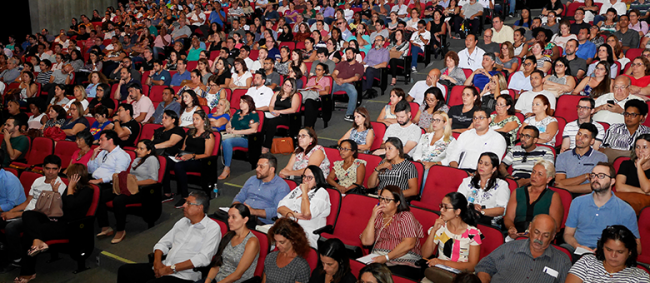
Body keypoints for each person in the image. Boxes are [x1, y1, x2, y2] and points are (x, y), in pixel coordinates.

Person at [117, 191, 221, 283]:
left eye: (189, 203)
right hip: (164, 266)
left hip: (184, 276)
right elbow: (163, 243)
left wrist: (171, 269)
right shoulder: (183, 222)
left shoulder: (212, 228)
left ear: (200, 208)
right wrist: (157, 263)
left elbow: (203, 258)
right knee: (124, 271)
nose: (184, 205)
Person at [14, 163, 93, 283]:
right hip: (57, 219)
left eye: (70, 176)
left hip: (70, 226)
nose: (67, 178)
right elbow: (60, 207)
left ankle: (28, 272)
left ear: (76, 177)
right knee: (28, 214)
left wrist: (70, 188)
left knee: (28, 235)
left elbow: (71, 205)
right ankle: (38, 240)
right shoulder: (69, 188)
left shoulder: (87, 190)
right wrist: (56, 192)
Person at [562, 163, 641, 257]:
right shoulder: (578, 202)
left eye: (601, 176)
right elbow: (567, 234)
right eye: (593, 175)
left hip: (608, 257)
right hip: (578, 251)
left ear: (612, 181)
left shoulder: (626, 210)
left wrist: (609, 251)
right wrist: (577, 246)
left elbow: (637, 247)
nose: (595, 179)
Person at [475, 214, 571, 283]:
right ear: (530, 228)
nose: (539, 239)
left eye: (545, 235)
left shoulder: (562, 261)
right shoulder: (509, 248)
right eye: (536, 232)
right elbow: (484, 267)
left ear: (553, 236)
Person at [96, 140, 160, 244]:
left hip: (142, 190)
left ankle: (121, 230)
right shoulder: (137, 159)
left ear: (149, 151)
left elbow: (153, 180)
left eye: (141, 149)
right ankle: (105, 226)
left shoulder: (152, 159)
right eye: (137, 148)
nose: (138, 150)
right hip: (129, 187)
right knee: (101, 196)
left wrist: (134, 183)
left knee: (118, 200)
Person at [0, 154, 55, 270]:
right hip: (25, 211)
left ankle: (17, 259)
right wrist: (11, 212)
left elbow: (40, 211)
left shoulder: (58, 187)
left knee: (11, 227)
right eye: (47, 169)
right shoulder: (38, 181)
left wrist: (13, 212)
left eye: (53, 169)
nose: (50, 172)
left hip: (39, 217)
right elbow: (27, 203)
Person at [360, 185, 424, 280]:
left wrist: (386, 257)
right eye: (381, 199)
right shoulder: (379, 216)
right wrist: (372, 217)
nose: (382, 202)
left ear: (397, 202)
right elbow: (366, 242)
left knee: (382, 278)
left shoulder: (405, 216)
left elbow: (409, 244)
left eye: (387, 200)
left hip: (403, 261)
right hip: (379, 258)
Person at [421, 192, 482, 276]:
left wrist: (443, 262)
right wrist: (433, 230)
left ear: (457, 211)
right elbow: (425, 254)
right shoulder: (441, 227)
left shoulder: (473, 233)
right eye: (441, 206)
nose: (441, 210)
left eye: (446, 207)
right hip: (439, 272)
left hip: (461, 276)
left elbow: (472, 266)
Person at [164, 110, 215, 208]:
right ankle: (167, 193)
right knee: (165, 162)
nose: (194, 121)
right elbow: (183, 148)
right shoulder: (190, 132)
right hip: (186, 158)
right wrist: (179, 155)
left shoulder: (208, 135)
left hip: (199, 161)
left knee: (179, 166)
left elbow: (207, 154)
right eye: (193, 119)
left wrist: (192, 156)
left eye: (197, 119)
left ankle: (185, 196)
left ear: (204, 120)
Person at [503, 160, 564, 241]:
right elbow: (508, 218)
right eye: (533, 172)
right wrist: (511, 228)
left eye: (540, 174)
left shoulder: (553, 196)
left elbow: (555, 226)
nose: (534, 176)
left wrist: (533, 234)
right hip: (517, 234)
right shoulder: (518, 192)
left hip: (540, 237)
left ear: (548, 179)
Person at [567, 225, 649, 282]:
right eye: (609, 249)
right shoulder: (586, 262)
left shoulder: (640, 277)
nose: (613, 255)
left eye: (620, 252)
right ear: (602, 247)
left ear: (630, 252)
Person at [202, 203, 260, 283]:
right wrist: (207, 281)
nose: (229, 220)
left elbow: (237, 275)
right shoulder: (229, 236)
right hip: (218, 279)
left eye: (234, 217)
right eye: (229, 216)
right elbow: (217, 264)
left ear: (245, 220)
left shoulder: (251, 242)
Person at [278, 165, 331, 248]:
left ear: (317, 180)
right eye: (304, 177)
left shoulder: (321, 192)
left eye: (309, 178)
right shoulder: (297, 189)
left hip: (306, 232)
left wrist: (304, 193)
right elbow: (280, 207)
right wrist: (294, 214)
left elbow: (306, 214)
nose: (305, 180)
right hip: (287, 227)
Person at [231, 153, 290, 225]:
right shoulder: (252, 179)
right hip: (243, 215)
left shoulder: (281, 186)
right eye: (257, 166)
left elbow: (277, 211)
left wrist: (253, 211)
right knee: (220, 217)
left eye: (261, 167)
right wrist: (237, 208)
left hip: (261, 221)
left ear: (271, 169)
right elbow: (239, 197)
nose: (257, 169)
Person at [457, 153, 510, 226]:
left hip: (489, 222)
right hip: (466, 218)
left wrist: (480, 212)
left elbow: (501, 210)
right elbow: (458, 201)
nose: (481, 166)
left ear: (494, 169)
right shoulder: (467, 181)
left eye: (486, 164)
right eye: (480, 163)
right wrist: (471, 207)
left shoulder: (501, 184)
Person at [555, 124, 609, 195]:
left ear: (592, 141)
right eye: (579, 134)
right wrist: (585, 176)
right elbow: (559, 183)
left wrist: (566, 188)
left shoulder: (601, 157)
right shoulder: (562, 156)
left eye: (585, 136)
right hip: (565, 195)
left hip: (590, 196)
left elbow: (597, 186)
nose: (580, 138)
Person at [219, 96, 260, 180]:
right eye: (240, 102)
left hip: (246, 139)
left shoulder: (253, 114)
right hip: (233, 136)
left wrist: (237, 132)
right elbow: (229, 124)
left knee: (227, 142)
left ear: (249, 103)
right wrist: (228, 128)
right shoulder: (237, 112)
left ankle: (227, 168)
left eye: (243, 102)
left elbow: (254, 130)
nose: (241, 104)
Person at [262, 218, 311, 283]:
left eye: (281, 242)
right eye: (276, 241)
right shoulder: (270, 257)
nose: (277, 245)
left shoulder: (301, 266)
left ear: (293, 240)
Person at [262, 78, 301, 153]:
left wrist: (279, 112)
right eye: (285, 84)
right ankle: (259, 143)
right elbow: (271, 105)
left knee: (272, 122)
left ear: (292, 88)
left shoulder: (294, 96)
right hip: (274, 113)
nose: (285, 87)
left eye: (288, 85)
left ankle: (266, 146)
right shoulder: (277, 93)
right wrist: (272, 111)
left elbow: (293, 109)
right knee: (263, 119)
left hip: (286, 116)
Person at [615, 134, 650, 214]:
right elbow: (619, 187)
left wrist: (639, 166)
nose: (640, 150)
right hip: (624, 201)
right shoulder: (626, 164)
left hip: (644, 204)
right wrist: (644, 192)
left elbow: (646, 188)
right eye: (637, 147)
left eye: (645, 147)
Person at [332, 48, 364, 122]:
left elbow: (356, 78)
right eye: (346, 53)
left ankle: (349, 114)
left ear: (354, 54)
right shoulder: (342, 63)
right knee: (328, 88)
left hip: (348, 83)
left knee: (353, 92)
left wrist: (343, 81)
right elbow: (334, 74)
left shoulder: (359, 65)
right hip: (337, 82)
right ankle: (324, 109)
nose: (347, 55)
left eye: (349, 53)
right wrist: (336, 79)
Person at [302, 62, 333, 129]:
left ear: (324, 71)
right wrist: (314, 87)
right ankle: (308, 126)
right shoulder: (312, 79)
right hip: (309, 96)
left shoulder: (326, 79)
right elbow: (305, 89)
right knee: (308, 101)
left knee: (309, 102)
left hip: (319, 99)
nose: (317, 71)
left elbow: (326, 92)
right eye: (316, 69)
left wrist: (316, 92)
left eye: (319, 70)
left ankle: (308, 126)